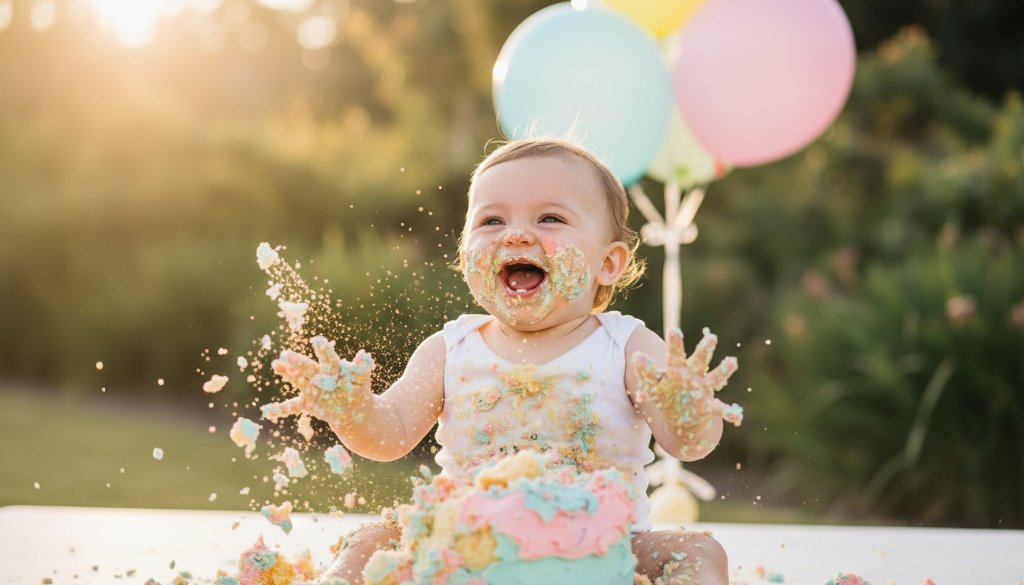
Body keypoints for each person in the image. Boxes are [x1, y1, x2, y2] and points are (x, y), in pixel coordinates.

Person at [263, 138, 742, 585]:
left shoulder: (627, 345)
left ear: (608, 263)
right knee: (371, 539)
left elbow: (689, 445)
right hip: (467, 546)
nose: (515, 234)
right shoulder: (452, 347)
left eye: (550, 218)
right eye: (491, 221)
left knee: (698, 551)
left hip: (605, 550)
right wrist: (354, 412)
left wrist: (688, 409)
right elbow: (390, 434)